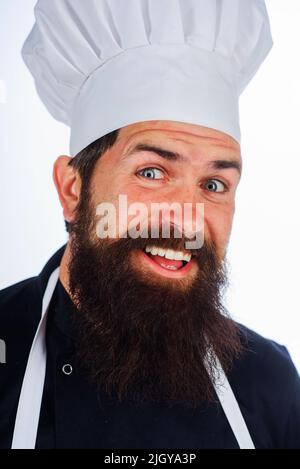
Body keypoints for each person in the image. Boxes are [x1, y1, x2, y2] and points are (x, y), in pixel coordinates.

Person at [1, 0, 299, 449]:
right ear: (71, 188)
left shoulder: (269, 385)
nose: (187, 217)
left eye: (214, 184)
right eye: (152, 172)